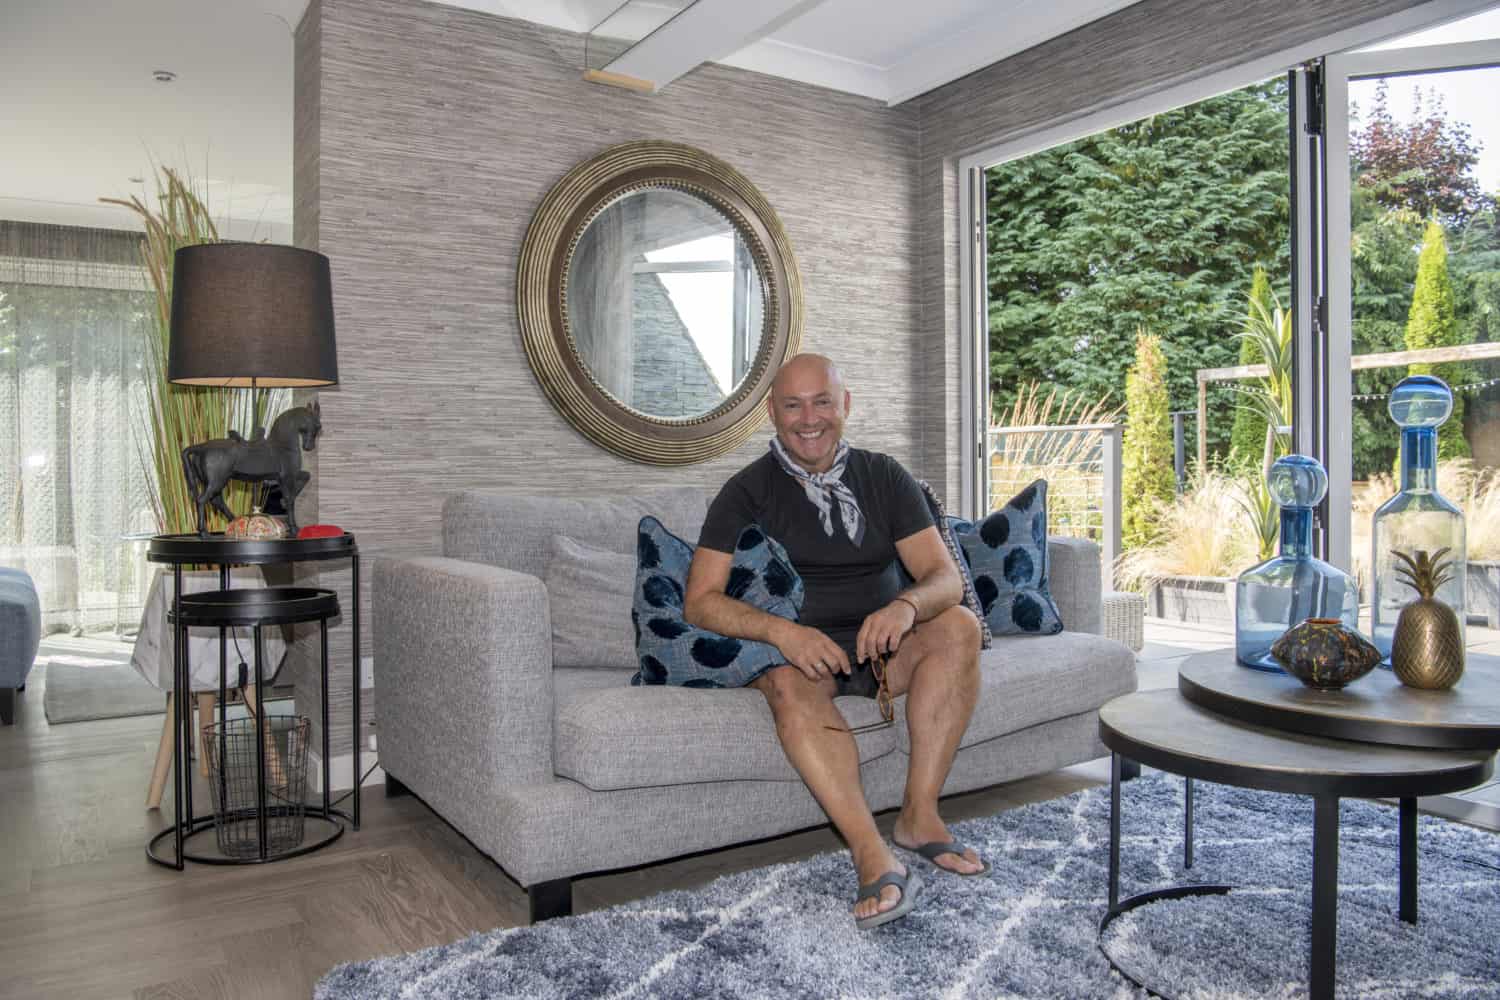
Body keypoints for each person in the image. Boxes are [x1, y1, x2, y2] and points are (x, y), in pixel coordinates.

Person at [684, 353, 984, 930]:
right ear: (772, 414)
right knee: (785, 684)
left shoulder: (884, 476)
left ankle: (919, 816)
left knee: (959, 626)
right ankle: (871, 853)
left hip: (884, 652)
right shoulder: (745, 492)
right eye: (792, 405)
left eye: (822, 401)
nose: (809, 419)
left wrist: (905, 606)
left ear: (844, 404)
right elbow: (700, 600)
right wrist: (783, 632)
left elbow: (944, 579)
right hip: (802, 660)